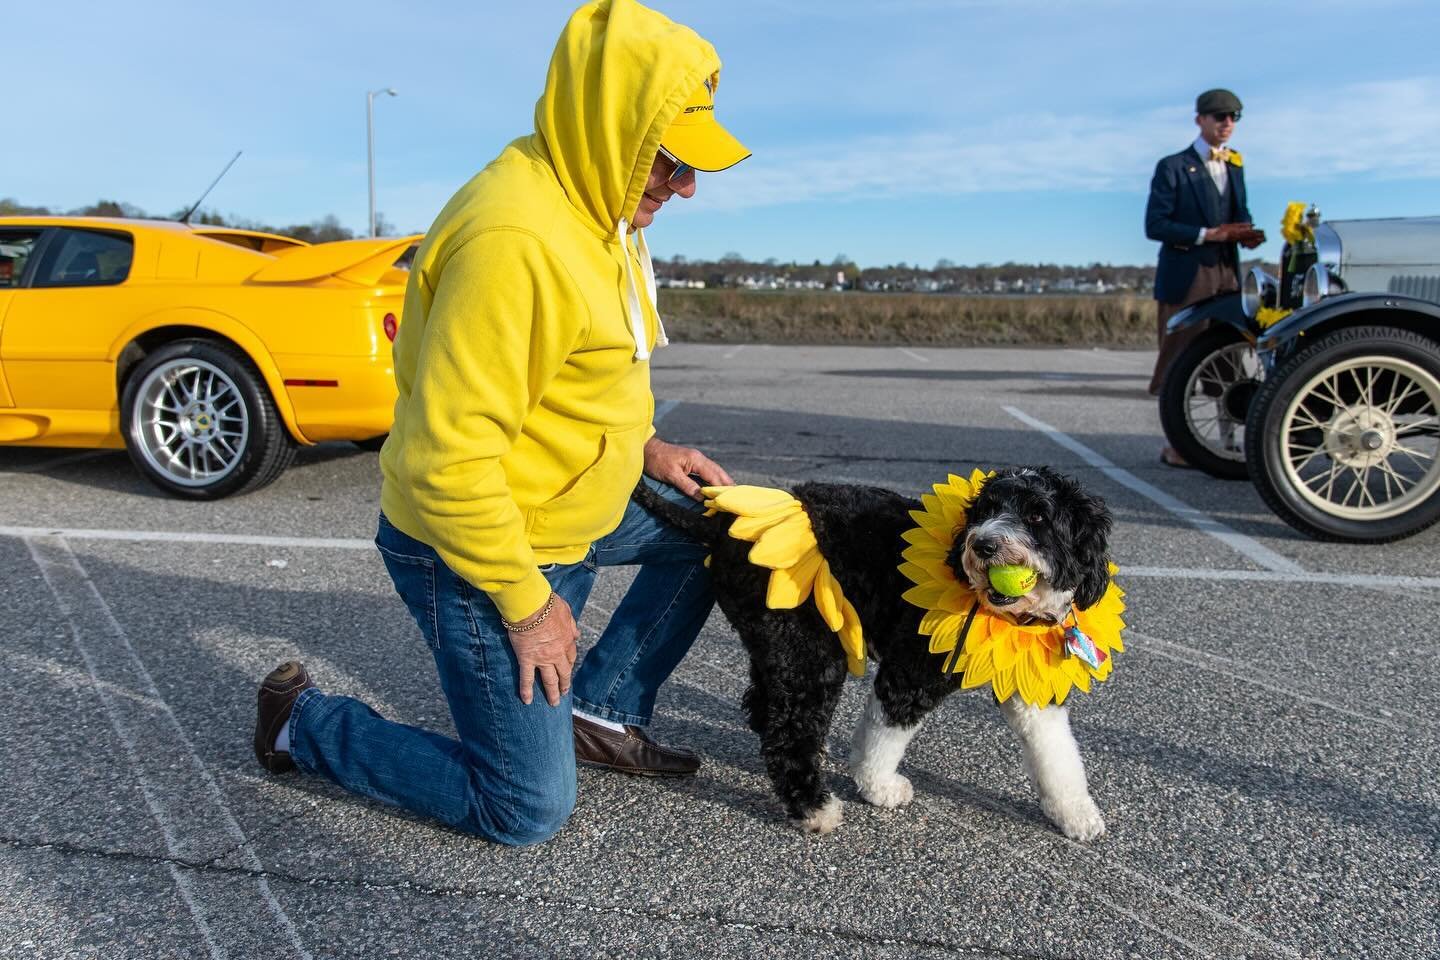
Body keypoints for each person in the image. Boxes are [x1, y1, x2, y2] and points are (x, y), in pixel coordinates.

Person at [252, 0, 750, 846]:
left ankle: (601, 708)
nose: (686, 185)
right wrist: (529, 607)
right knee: (525, 809)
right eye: (671, 162)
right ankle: (303, 723)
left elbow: (586, 380)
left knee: (726, 531)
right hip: (484, 543)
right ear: (614, 130)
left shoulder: (603, 205)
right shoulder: (514, 242)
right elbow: (443, 465)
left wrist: (647, 448)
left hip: (570, 507)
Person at [1144, 88, 1265, 467]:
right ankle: (1178, 445)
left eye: (1233, 117)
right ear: (1200, 119)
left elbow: (1237, 214)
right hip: (1187, 275)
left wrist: (1244, 235)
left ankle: (1223, 445)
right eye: (1220, 116)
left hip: (1227, 276)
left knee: (1228, 360)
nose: (1227, 123)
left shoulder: (1235, 165)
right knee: (1179, 358)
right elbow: (1155, 224)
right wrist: (1209, 234)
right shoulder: (1173, 166)